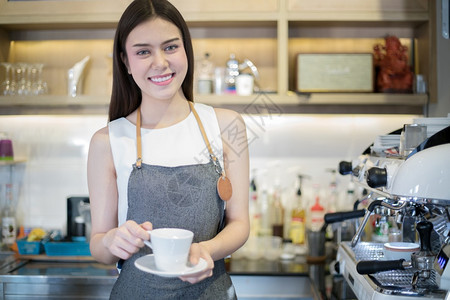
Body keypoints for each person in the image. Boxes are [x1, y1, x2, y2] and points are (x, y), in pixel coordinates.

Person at [87, 0, 250, 299]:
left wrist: (206, 250)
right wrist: (111, 242)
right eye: (143, 51)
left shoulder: (229, 126)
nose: (160, 62)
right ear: (125, 61)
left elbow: (239, 223)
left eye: (171, 47)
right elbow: (99, 245)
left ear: (186, 50)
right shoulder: (106, 141)